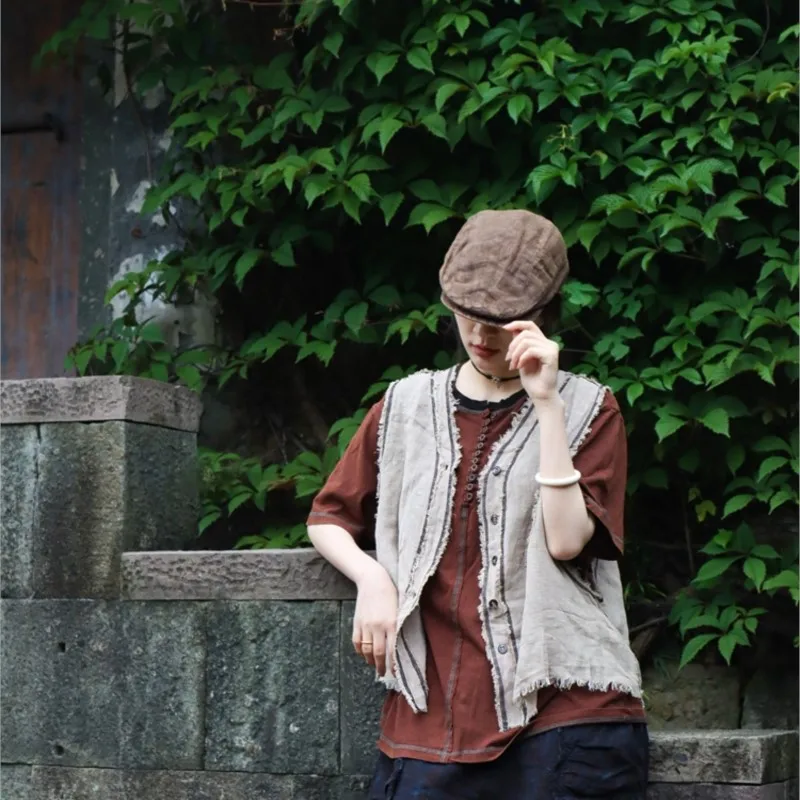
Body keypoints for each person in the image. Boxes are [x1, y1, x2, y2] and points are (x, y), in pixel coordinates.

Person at [307, 210, 649, 799]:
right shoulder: (405, 406)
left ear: (543, 315)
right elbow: (329, 517)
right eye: (468, 315)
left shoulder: (589, 408)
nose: (481, 336)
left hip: (566, 716)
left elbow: (568, 541)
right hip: (428, 722)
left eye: (500, 322)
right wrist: (372, 579)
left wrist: (547, 405)